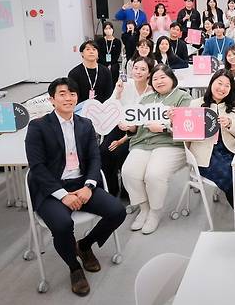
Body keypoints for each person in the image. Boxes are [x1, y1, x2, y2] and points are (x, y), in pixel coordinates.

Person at [25, 78, 126, 296]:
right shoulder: (38, 127)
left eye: (72, 93)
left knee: (117, 211)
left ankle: (85, 244)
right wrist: (62, 195)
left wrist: (89, 186)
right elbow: (37, 167)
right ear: (52, 99)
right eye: (62, 93)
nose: (68, 97)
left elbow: (94, 158)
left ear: (77, 98)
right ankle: (74, 267)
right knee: (62, 225)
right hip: (50, 189)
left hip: (81, 184)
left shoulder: (85, 124)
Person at [122, 64, 192, 234]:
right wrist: (129, 127)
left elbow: (188, 127)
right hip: (143, 143)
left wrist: (165, 126)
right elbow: (136, 127)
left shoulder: (183, 97)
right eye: (155, 78)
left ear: (171, 79)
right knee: (129, 172)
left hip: (170, 144)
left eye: (163, 77)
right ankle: (144, 208)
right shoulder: (146, 99)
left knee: (154, 174)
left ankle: (155, 212)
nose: (159, 81)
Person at [187, 70, 235, 208]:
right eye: (219, 83)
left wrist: (230, 123)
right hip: (205, 153)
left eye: (227, 86)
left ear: (231, 89)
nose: (222, 88)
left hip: (229, 149)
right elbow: (186, 132)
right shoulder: (196, 104)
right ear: (212, 83)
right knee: (230, 177)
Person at [100, 56, 155, 197]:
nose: (138, 72)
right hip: (120, 126)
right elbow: (111, 106)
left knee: (122, 153)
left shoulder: (152, 91)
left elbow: (147, 119)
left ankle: (127, 191)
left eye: (143, 69)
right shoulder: (125, 84)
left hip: (139, 132)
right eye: (136, 68)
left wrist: (131, 129)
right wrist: (118, 92)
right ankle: (111, 189)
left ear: (149, 73)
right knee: (103, 151)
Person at [68, 40, 113, 104]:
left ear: (98, 53)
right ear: (82, 53)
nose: (91, 51)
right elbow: (73, 94)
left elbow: (109, 93)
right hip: (81, 109)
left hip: (102, 108)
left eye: (94, 49)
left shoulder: (106, 71)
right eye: (88, 49)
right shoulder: (74, 73)